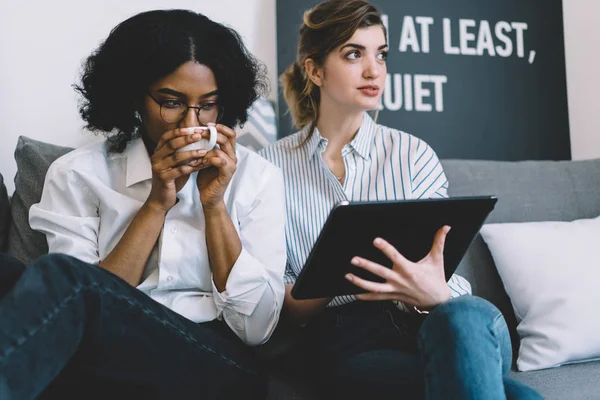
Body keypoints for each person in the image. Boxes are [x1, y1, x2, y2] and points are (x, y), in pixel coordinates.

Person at [259, 1, 542, 399]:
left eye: (382, 55)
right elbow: (279, 308)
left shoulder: (413, 154)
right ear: (314, 69)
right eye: (354, 54)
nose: (374, 70)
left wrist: (434, 296)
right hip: (350, 337)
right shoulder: (270, 167)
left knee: (464, 316)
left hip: (446, 317)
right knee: (524, 397)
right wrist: (341, 262)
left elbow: (443, 271)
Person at [0, 9, 286, 400]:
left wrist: (215, 204)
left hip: (215, 356)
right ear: (135, 97)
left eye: (208, 105)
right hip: (108, 350)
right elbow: (79, 307)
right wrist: (156, 203)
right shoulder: (78, 174)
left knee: (60, 277)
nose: (190, 123)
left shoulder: (257, 178)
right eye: (171, 102)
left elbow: (257, 329)